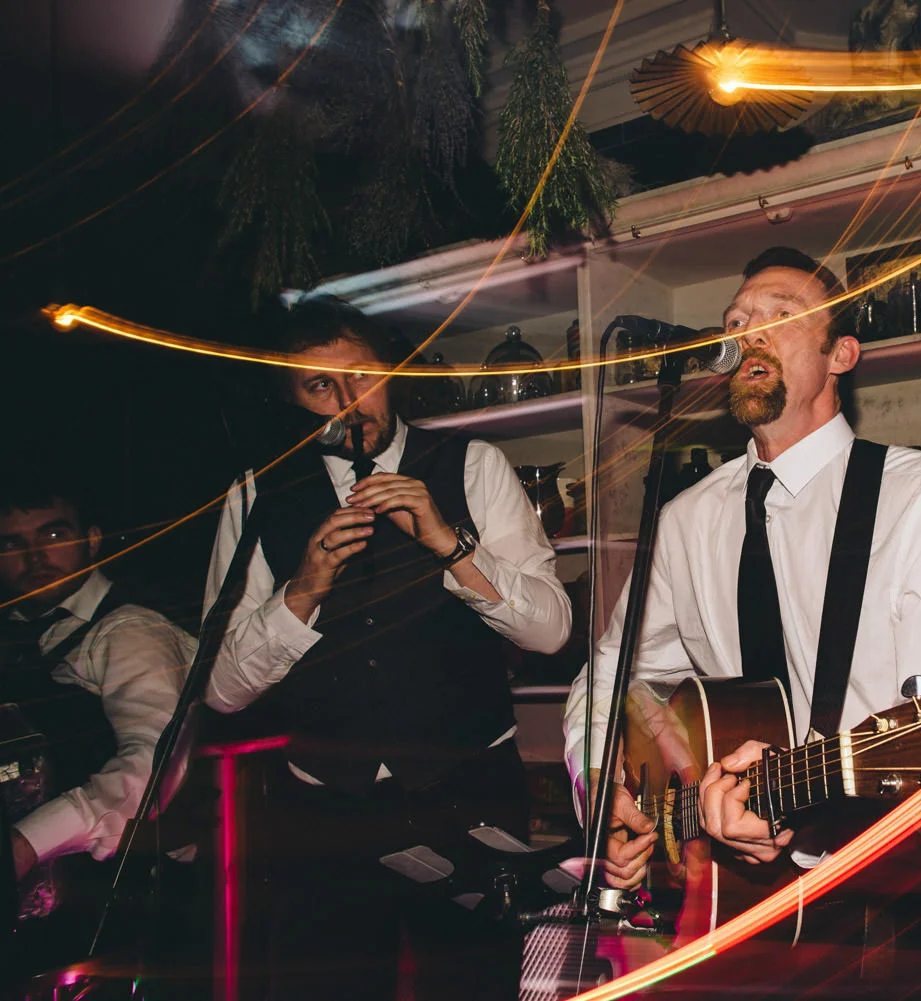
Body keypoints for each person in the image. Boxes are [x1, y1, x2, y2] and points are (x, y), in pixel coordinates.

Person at [563, 247, 921, 998]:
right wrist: (605, 792)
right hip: (741, 904)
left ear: (841, 355)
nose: (749, 331)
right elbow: (612, 671)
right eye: (736, 320)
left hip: (897, 901)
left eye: (781, 315)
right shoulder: (686, 519)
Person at [203, 296, 571, 1001]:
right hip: (323, 812)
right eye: (320, 386)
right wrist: (301, 591)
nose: (347, 401)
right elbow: (220, 690)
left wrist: (451, 546)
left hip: (467, 792)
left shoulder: (471, 465)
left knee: (473, 986)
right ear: (294, 400)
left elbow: (552, 630)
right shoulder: (256, 494)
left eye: (362, 376)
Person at [0, 476, 193, 982]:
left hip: (114, 916)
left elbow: (154, 765)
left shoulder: (128, 630)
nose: (35, 556)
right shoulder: (14, 635)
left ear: (92, 540)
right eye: (13, 544)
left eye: (54, 535)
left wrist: (23, 844)